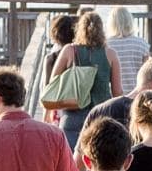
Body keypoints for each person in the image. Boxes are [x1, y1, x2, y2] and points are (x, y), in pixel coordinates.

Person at [48, 8, 115, 150]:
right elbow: (117, 91)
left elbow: (53, 82)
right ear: (102, 30)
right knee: (97, 164)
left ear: (79, 29)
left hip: (72, 115)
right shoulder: (110, 54)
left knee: (71, 166)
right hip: (101, 116)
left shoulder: (69, 50)